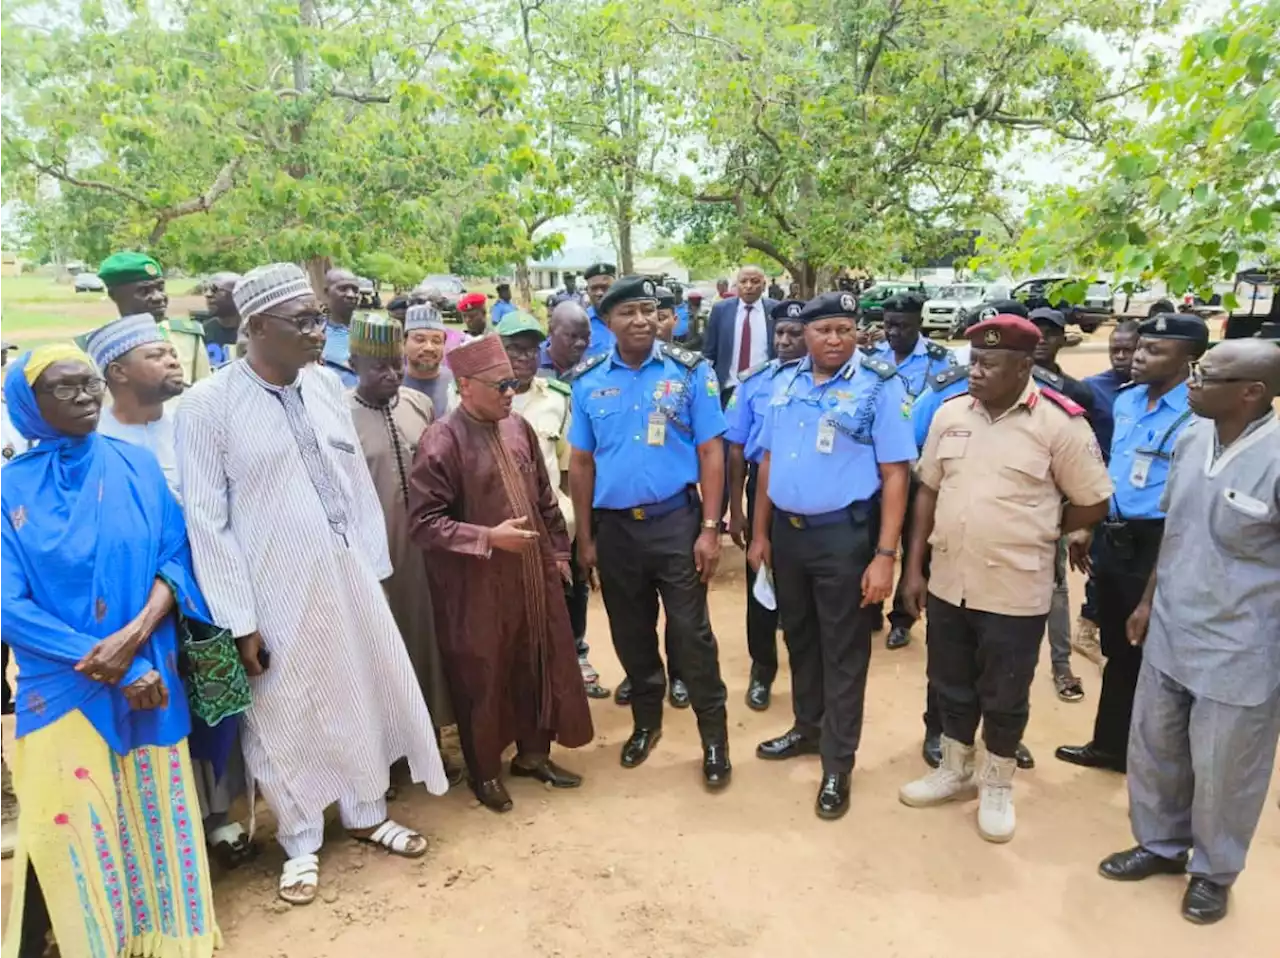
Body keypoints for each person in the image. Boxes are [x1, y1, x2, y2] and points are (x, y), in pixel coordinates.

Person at [176, 263, 448, 906]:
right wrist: (239, 621)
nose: (318, 331)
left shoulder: (327, 386)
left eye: (317, 317)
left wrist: (373, 571)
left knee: (359, 687)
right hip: (270, 588)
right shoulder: (206, 407)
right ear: (256, 327)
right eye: (302, 321)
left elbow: (352, 485)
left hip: (345, 570)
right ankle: (299, 839)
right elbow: (207, 523)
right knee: (284, 708)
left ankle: (366, 810)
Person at [0, 345, 223, 958]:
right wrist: (98, 659)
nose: (83, 396)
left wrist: (131, 642)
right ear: (28, 403)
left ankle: (171, 939)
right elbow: (6, 604)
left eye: (89, 383)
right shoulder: (7, 490)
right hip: (64, 685)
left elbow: (174, 560)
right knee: (75, 825)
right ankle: (95, 943)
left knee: (156, 816)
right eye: (62, 388)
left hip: (149, 670)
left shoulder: (136, 467)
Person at [897, 315, 1112, 843]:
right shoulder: (950, 415)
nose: (976, 371)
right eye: (973, 360)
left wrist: (1041, 528)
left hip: (1015, 587)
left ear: (1023, 366)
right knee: (949, 681)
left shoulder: (1060, 425)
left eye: (990, 364)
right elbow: (927, 490)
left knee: (1005, 690)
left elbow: (1094, 501)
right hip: (950, 579)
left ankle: (996, 783)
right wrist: (913, 567)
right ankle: (955, 768)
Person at [1097, 338, 1280, 925]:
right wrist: (1148, 602)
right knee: (1156, 747)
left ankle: (1214, 871)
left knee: (1228, 766)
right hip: (1174, 625)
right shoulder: (1193, 437)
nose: (1192, 383)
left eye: (1206, 374)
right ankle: (1161, 845)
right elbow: (1176, 529)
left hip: (1242, 645)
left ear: (1250, 392)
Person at [747, 292, 915, 820]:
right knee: (799, 636)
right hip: (789, 536)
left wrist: (885, 554)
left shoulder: (879, 386)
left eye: (845, 328)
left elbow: (896, 474)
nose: (835, 339)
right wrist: (760, 534)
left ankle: (838, 763)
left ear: (856, 331)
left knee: (843, 650)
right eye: (824, 330)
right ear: (807, 332)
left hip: (844, 537)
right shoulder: (785, 381)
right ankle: (807, 728)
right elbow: (768, 461)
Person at [410, 336, 593, 812]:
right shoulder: (442, 439)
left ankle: (534, 756)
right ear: (466, 386)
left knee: (537, 661)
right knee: (484, 676)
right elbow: (424, 524)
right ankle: (485, 771)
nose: (510, 392)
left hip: (533, 577)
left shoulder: (518, 428)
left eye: (513, 383)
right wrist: (488, 538)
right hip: (477, 587)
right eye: (500, 385)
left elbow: (545, 499)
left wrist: (556, 553)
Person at [567, 276, 731, 788]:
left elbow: (711, 452)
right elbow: (580, 463)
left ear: (663, 317)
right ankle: (646, 723)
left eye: (648, 310)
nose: (639, 320)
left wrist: (711, 529)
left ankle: (713, 739)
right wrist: (587, 539)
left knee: (691, 635)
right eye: (626, 312)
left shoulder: (690, 372)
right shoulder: (588, 379)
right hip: (616, 532)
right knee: (630, 634)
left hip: (677, 524)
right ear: (607, 321)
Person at [1056, 313, 1206, 775]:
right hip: (1114, 537)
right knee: (1120, 649)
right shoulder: (1127, 402)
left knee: (1156, 654)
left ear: (1190, 359)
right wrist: (1088, 525)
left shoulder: (1199, 416)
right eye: (1141, 346)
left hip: (1161, 545)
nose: (1138, 356)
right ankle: (1111, 746)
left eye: (1155, 351)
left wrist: (1150, 593)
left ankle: (1157, 761)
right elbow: (1114, 475)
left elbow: (1187, 512)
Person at [346, 311, 456, 741]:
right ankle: (388, 753)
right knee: (380, 654)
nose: (391, 374)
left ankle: (429, 741)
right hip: (374, 560)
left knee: (429, 648)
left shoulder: (419, 404)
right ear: (353, 363)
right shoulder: (337, 416)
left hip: (425, 556)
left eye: (396, 364)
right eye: (379, 367)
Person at [496, 311, 607, 699]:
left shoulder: (559, 398)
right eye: (514, 349)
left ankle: (576, 656)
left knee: (568, 592)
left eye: (530, 349)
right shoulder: (468, 396)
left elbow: (568, 466)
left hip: (552, 519)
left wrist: (574, 523)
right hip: (499, 523)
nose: (524, 358)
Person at [725, 300, 807, 711]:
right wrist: (736, 510)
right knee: (761, 579)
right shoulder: (754, 381)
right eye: (780, 334)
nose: (786, 341)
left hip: (809, 490)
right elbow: (736, 448)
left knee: (802, 587)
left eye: (794, 333)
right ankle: (763, 668)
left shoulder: (827, 381)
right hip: (763, 488)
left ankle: (807, 672)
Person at [871, 292, 957, 651]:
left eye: (903, 326)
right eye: (889, 324)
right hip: (878, 468)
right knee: (874, 540)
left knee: (914, 543)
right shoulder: (871, 357)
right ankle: (869, 607)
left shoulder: (942, 360)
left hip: (922, 467)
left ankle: (903, 619)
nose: (894, 332)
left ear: (918, 324)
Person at [1027, 305, 1097, 704]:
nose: (1041, 339)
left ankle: (1061, 665)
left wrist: (1079, 523)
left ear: (1061, 339)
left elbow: (1090, 461)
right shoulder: (997, 384)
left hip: (1053, 508)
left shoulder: (1076, 392)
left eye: (1049, 333)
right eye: (1033, 332)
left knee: (1055, 588)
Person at [1073, 319, 1140, 664]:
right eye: (1116, 349)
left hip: (1141, 499)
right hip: (1102, 493)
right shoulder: (1092, 389)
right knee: (1098, 563)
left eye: (1129, 350)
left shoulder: (1149, 393)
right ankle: (1088, 627)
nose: (1121, 356)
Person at [87, 314, 185, 496]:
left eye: (173, 355)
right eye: (156, 356)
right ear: (118, 372)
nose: (173, 362)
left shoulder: (192, 426)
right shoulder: (93, 439)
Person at [96, 251, 211, 385]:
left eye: (160, 288)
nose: (158, 297)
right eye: (144, 291)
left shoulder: (187, 335)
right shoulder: (104, 345)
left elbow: (206, 388)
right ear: (114, 295)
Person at [701, 266, 778, 395]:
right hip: (728, 387)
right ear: (737, 285)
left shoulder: (775, 310)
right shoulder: (721, 310)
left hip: (764, 389)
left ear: (764, 285)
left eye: (754, 281)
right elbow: (709, 352)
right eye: (743, 282)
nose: (748, 286)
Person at [401, 303, 455, 414]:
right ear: (404, 343)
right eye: (420, 340)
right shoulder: (391, 385)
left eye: (436, 341)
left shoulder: (457, 384)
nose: (429, 348)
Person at [321, 267, 361, 386]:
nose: (351, 295)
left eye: (355, 290)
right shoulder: (315, 333)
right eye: (343, 289)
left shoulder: (370, 331)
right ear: (326, 292)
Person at [540, 302, 592, 381]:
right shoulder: (531, 364)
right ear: (551, 330)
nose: (581, 343)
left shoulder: (592, 368)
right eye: (573, 336)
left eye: (586, 336)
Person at [202, 272, 241, 369]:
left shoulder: (253, 333)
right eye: (206, 289)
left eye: (215, 290)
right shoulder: (204, 331)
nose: (208, 295)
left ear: (236, 295)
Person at [582, 262, 617, 357]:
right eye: (594, 288)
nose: (599, 293)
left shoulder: (628, 319)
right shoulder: (580, 323)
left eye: (605, 288)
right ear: (587, 291)